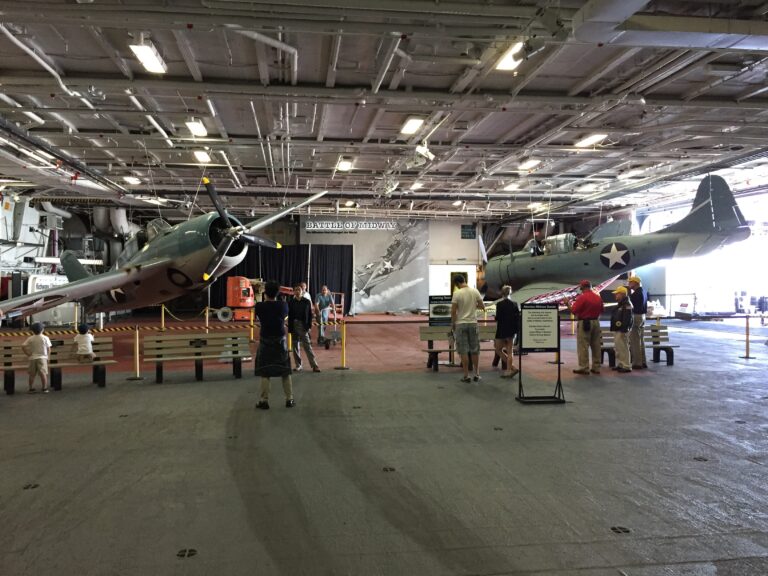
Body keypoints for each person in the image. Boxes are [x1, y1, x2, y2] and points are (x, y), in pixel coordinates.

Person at [254, 281, 295, 409]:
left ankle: (264, 400)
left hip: (265, 339)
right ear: (278, 293)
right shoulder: (283, 305)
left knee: (265, 372)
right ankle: (289, 399)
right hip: (280, 340)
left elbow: (259, 311)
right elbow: (285, 315)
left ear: (265, 292)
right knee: (285, 370)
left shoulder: (259, 306)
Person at [451, 274, 485, 383]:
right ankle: (477, 374)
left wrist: (453, 323)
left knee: (463, 350)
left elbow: (453, 311)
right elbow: (482, 307)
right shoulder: (475, 291)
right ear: (465, 280)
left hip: (461, 324)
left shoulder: (456, 294)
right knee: (475, 350)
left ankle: (466, 375)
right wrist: (473, 306)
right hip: (473, 323)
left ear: (456, 283)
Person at [565, 280, 604, 375]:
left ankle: (584, 367)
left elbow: (574, 311)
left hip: (585, 323)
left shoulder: (582, 298)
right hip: (596, 322)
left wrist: (567, 303)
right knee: (596, 346)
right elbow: (602, 310)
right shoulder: (598, 297)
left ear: (582, 287)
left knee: (583, 346)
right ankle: (596, 367)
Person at [288, 283, 320, 373]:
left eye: (299, 289)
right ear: (294, 291)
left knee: (307, 346)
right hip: (294, 325)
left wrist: (309, 326)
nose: (298, 291)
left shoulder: (306, 302)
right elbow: (290, 316)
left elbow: (310, 315)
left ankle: (314, 365)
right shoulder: (291, 302)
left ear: (302, 291)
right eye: (296, 290)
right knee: (295, 347)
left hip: (303, 326)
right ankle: (298, 365)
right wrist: (290, 328)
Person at [494, 285, 520, 379]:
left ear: (502, 293)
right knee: (510, 351)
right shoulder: (515, 304)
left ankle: (512, 368)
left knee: (498, 349)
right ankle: (510, 369)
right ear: (510, 293)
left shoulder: (499, 304)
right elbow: (517, 317)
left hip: (502, 330)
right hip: (511, 330)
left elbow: (498, 318)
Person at [22, 322, 52, 394]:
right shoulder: (45, 338)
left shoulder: (30, 338)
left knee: (32, 374)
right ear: (42, 330)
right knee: (43, 374)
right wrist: (48, 357)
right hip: (42, 358)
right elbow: (49, 349)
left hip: (32, 358)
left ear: (33, 331)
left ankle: (31, 388)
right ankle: (44, 388)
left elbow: (23, 346)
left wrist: (28, 354)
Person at [610, 286, 634, 373]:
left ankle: (626, 366)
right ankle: (620, 364)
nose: (615, 295)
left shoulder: (627, 304)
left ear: (622, 294)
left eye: (617, 293)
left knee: (623, 347)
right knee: (618, 348)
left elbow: (628, 318)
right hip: (618, 329)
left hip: (622, 329)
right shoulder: (621, 303)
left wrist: (624, 329)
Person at [627, 275, 648, 369]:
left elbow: (630, 306)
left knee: (635, 341)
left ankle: (637, 363)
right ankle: (643, 361)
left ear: (635, 283)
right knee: (641, 340)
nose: (629, 284)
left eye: (630, 282)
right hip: (643, 317)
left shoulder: (635, 294)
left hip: (636, 316)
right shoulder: (644, 291)